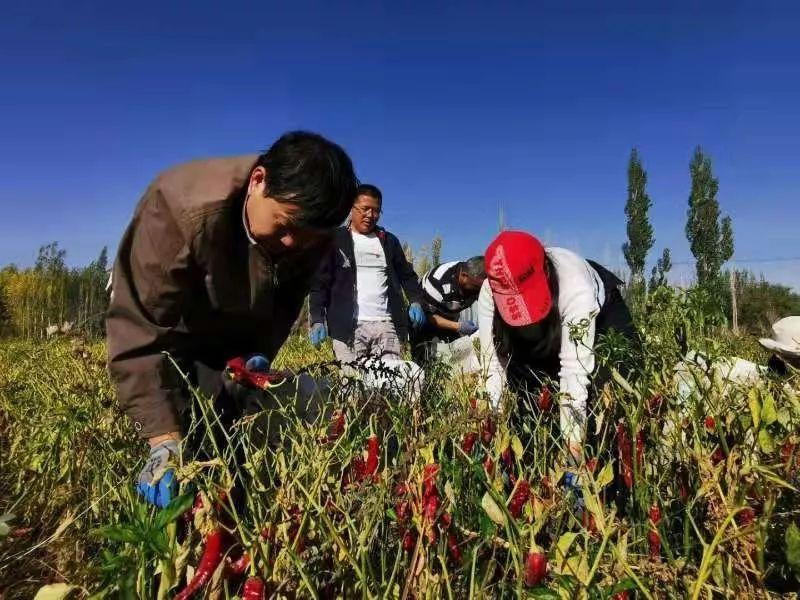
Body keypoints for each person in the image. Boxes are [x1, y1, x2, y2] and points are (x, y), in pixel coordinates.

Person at [106, 131, 359, 507]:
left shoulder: (313, 233)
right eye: (285, 225)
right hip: (173, 325)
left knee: (231, 428)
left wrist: (258, 355)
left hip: (231, 320)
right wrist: (161, 439)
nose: (293, 244)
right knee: (177, 432)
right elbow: (140, 330)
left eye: (307, 237)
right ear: (258, 181)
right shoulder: (179, 209)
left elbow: (285, 302)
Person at [476, 230, 638, 462]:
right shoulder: (489, 292)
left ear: (545, 271)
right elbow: (492, 365)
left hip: (603, 317)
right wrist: (494, 429)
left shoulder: (576, 287)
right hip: (545, 326)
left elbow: (574, 370)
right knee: (528, 404)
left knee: (619, 393)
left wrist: (574, 450)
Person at [308, 184, 426, 391]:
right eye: (365, 209)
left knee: (392, 385)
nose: (370, 215)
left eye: (376, 210)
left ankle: (387, 422)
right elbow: (320, 284)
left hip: (386, 325)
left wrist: (416, 301)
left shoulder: (389, 242)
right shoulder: (335, 240)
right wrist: (317, 319)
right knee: (353, 387)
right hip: (349, 328)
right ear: (351, 209)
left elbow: (407, 276)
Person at [411, 257, 486, 363]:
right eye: (476, 288)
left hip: (450, 315)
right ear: (464, 276)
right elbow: (429, 317)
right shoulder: (437, 281)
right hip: (426, 319)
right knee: (427, 356)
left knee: (456, 357)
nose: (479, 292)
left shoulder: (477, 283)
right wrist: (458, 326)